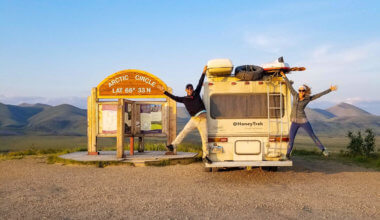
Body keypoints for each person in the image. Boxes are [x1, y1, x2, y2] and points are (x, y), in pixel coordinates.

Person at [280, 72, 337, 159]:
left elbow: (319, 95)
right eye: (300, 90)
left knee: (312, 135)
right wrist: (284, 76)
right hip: (294, 122)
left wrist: (330, 90)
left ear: (305, 92)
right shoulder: (295, 95)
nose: (301, 92)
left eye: (303, 91)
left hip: (303, 121)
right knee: (291, 139)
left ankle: (323, 150)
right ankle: (288, 155)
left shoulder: (308, 99)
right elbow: (289, 86)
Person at [162, 66, 211, 163]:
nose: (190, 90)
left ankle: (205, 156)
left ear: (192, 89)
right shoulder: (184, 99)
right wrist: (165, 92)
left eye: (191, 89)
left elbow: (200, 82)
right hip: (194, 119)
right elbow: (174, 97)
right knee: (183, 132)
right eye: (188, 89)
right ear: (186, 90)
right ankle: (173, 146)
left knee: (204, 138)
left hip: (203, 119)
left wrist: (203, 72)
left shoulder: (196, 93)